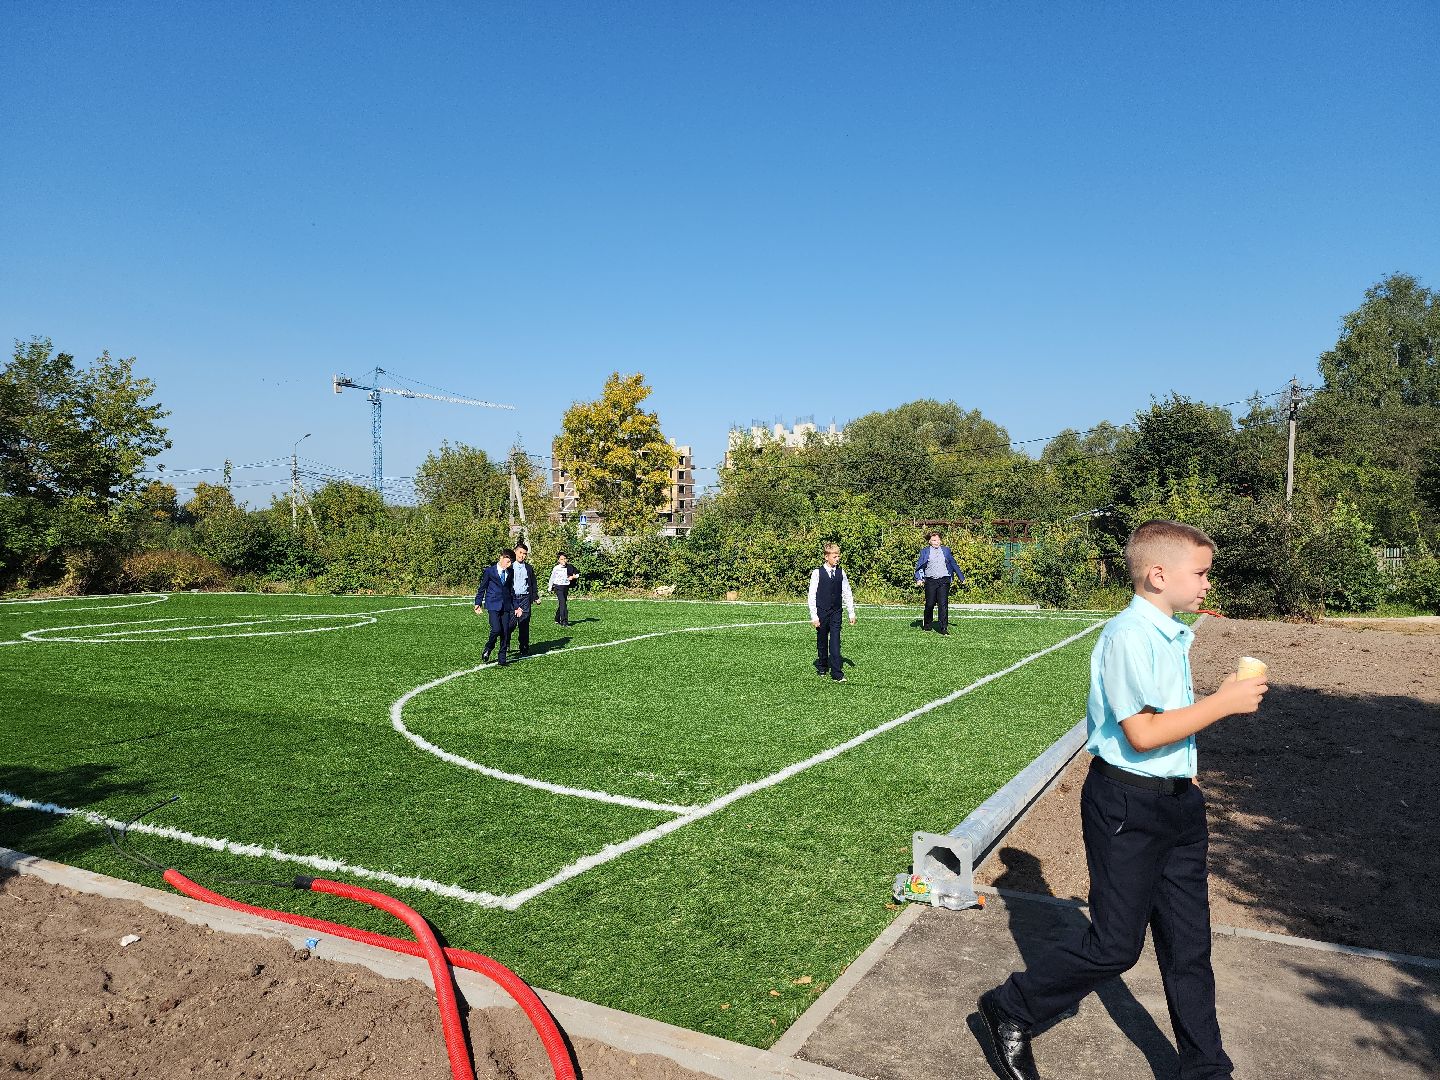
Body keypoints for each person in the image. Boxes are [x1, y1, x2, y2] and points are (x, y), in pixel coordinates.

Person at [976, 520, 1269, 1080]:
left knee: (1189, 946)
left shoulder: (1170, 633)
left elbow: (1170, 732)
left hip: (1176, 805)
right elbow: (1142, 732)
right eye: (1200, 573)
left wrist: (1188, 781)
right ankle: (1010, 1007)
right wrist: (1225, 702)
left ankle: (1207, 1069)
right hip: (1127, 807)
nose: (1208, 583)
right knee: (1115, 946)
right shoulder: (1126, 636)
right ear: (1158, 575)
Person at [807, 542, 856, 682]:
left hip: (836, 612)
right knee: (822, 641)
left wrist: (851, 612)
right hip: (822, 612)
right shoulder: (817, 573)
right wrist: (814, 616)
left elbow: (847, 592)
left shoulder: (841, 572)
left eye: (838, 556)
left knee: (835, 641)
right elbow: (812, 595)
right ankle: (822, 665)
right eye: (834, 556)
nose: (837, 559)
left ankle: (837, 674)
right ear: (826, 557)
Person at [473, 548, 524, 667]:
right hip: (492, 604)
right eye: (507, 561)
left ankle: (502, 659)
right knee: (496, 629)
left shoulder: (510, 572)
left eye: (511, 562)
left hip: (506, 606)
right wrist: (478, 603)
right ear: (501, 558)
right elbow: (482, 588)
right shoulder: (489, 571)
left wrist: (517, 606)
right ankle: (488, 647)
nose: (509, 564)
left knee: (505, 632)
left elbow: (511, 590)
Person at [913, 531, 964, 635]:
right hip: (930, 580)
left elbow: (953, 563)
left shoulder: (946, 550)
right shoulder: (925, 551)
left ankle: (943, 628)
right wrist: (918, 578)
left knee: (943, 604)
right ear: (929, 541)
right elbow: (919, 565)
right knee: (930, 604)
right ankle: (927, 624)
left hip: (944, 580)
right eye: (934, 540)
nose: (936, 542)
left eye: (938, 540)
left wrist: (961, 577)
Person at [512, 543, 540, 656]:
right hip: (512, 599)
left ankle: (524, 646)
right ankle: (506, 641)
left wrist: (535, 596)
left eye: (525, 554)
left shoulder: (528, 568)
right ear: (515, 552)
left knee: (524, 623)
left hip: (524, 598)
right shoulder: (509, 566)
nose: (522, 556)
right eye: (520, 553)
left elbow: (533, 583)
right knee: (510, 624)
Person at [549, 551, 579, 626]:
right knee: (563, 604)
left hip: (566, 587)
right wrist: (550, 587)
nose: (564, 561)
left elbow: (577, 574)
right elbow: (552, 578)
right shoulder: (556, 568)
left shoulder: (570, 567)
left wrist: (573, 577)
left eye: (565, 559)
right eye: (561, 559)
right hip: (558, 587)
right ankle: (564, 621)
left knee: (562, 603)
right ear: (558, 560)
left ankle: (557, 618)